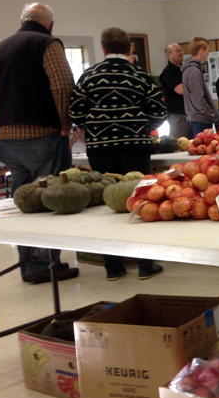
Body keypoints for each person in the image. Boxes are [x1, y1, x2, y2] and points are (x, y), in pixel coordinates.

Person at [0, 2, 79, 284]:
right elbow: (62, 85)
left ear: (22, 20)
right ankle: (45, 267)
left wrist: (5, 120)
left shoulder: (0, 48)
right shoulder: (46, 43)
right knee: (49, 200)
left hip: (8, 142)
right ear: (50, 24)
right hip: (44, 137)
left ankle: (27, 265)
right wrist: (64, 125)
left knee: (23, 202)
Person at [69, 27, 167, 281]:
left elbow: (76, 114)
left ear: (103, 48)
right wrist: (139, 125)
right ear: (129, 49)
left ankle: (113, 267)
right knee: (141, 200)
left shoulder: (88, 76)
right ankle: (145, 264)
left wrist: (96, 124)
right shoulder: (141, 75)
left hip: (100, 148)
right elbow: (159, 112)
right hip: (136, 146)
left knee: (106, 203)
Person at [182, 37, 219, 136]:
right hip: (200, 118)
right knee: (202, 147)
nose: (208, 53)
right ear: (201, 50)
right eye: (207, 50)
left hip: (197, 117)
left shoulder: (190, 69)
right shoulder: (194, 71)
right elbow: (197, 98)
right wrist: (210, 112)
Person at [159, 43, 192, 139]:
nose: (181, 53)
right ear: (168, 54)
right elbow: (181, 90)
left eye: (181, 50)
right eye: (177, 51)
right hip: (178, 116)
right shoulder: (168, 72)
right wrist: (195, 85)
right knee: (179, 146)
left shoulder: (184, 69)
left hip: (190, 114)